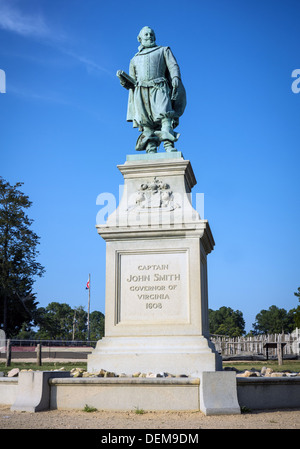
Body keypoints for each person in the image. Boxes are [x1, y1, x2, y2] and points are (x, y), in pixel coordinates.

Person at [118, 26, 186, 153]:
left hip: (159, 87)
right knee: (146, 123)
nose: (149, 36)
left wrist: (175, 77)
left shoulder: (163, 50)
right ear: (140, 39)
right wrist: (123, 81)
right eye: (146, 34)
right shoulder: (134, 59)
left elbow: (173, 66)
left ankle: (168, 145)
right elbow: (132, 83)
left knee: (165, 116)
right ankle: (151, 148)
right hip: (141, 92)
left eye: (151, 34)